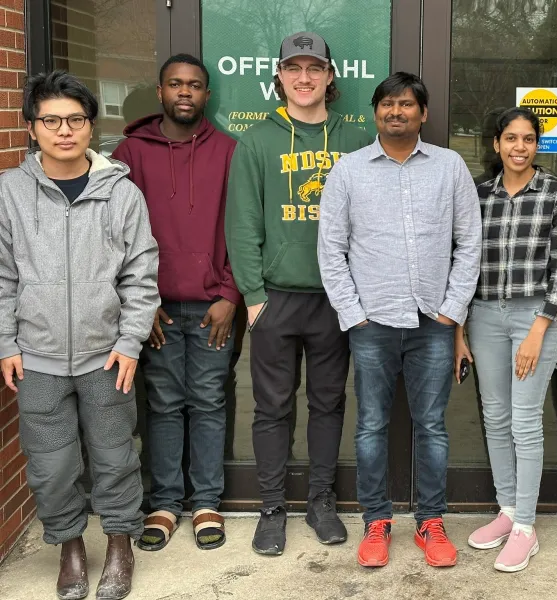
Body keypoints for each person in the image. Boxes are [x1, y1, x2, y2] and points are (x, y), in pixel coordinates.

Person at [0, 71, 159, 600]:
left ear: (91, 127)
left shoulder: (122, 194)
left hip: (106, 354)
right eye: (51, 121)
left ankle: (119, 545)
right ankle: (69, 548)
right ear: (32, 128)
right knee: (52, 464)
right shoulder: (9, 193)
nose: (64, 131)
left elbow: (140, 274)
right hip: (37, 357)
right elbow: (2, 275)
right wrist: (7, 342)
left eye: (75, 120)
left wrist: (129, 341)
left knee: (115, 457)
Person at [318, 72, 481, 568]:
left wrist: (453, 310)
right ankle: (376, 521)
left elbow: (469, 242)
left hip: (434, 320)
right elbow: (331, 248)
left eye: (406, 104)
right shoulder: (348, 170)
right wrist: (354, 314)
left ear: (422, 113)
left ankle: (431, 522)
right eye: (387, 104)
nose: (396, 112)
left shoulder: (450, 167)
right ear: (375, 113)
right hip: (372, 323)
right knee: (371, 426)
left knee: (432, 426)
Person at [225, 31, 372, 556]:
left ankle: (320, 502)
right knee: (271, 408)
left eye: (314, 69)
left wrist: (356, 293)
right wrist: (253, 294)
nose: (304, 78)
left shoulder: (353, 141)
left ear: (330, 77)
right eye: (294, 69)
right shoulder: (258, 141)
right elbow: (241, 223)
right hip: (275, 300)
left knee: (329, 403)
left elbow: (367, 223)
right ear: (280, 77)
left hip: (335, 299)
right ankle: (271, 509)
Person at [111, 53, 240, 552]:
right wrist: (139, 305)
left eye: (195, 85)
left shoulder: (230, 150)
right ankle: (165, 503)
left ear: (207, 95)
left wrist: (230, 293)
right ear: (160, 91)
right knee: (163, 406)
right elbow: (114, 236)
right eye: (175, 84)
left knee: (209, 401)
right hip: (156, 311)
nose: (185, 92)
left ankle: (206, 502)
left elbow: (243, 229)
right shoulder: (130, 152)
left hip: (213, 308)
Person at [455, 107, 557, 572]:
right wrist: (460, 331)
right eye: (511, 138)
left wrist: (539, 329)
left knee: (525, 421)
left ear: (537, 144)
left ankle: (526, 526)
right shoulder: (479, 194)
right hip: (484, 313)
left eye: (529, 139)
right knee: (495, 416)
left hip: (535, 315)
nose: (519, 147)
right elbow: (464, 260)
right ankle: (506, 510)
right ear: (496, 144)